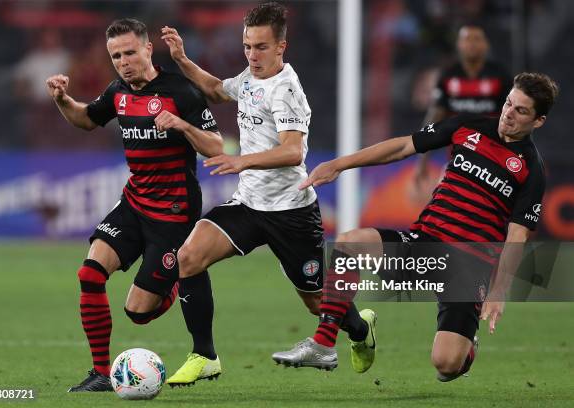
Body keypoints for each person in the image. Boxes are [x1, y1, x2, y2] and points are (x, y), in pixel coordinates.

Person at [272, 72, 558, 382]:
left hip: (470, 266)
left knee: (446, 364)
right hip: (424, 244)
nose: (508, 114)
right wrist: (340, 164)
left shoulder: (531, 168)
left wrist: (500, 289)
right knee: (349, 242)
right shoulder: (469, 127)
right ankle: (324, 345)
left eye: (521, 111)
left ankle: (465, 348)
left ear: (538, 121)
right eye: (508, 104)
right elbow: (402, 147)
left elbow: (518, 233)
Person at [160, 2, 372, 386]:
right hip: (247, 205)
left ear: (280, 47)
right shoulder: (249, 78)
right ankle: (204, 355)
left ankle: (360, 331)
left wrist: (243, 161)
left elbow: (293, 151)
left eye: (260, 47)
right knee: (187, 258)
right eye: (247, 46)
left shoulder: (287, 89)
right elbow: (214, 89)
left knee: (315, 303)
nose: (252, 55)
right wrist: (182, 59)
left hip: (291, 211)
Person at [46, 18, 223, 392]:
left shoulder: (182, 91)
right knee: (90, 274)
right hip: (135, 201)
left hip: (174, 214)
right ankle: (99, 373)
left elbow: (215, 147)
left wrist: (181, 126)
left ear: (147, 49)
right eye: (116, 56)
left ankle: (171, 281)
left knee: (137, 313)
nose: (123, 61)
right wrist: (63, 100)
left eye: (129, 52)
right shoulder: (117, 92)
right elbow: (85, 120)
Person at [415, 24, 512, 199]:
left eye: (477, 39)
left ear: (486, 45)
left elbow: (515, 118)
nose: (472, 44)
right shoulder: (448, 75)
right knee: (442, 203)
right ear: (459, 44)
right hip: (458, 159)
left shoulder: (500, 76)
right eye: (467, 39)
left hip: (494, 157)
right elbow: (435, 117)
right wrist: (422, 160)